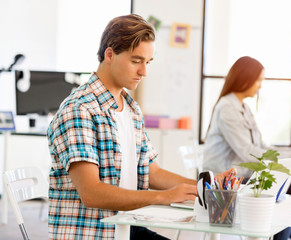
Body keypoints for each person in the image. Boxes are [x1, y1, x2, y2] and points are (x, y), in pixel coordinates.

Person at [47, 14, 236, 240]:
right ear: (110, 54)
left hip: (127, 226)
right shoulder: (79, 109)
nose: (144, 71)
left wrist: (208, 186)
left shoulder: (131, 108)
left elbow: (151, 171)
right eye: (136, 61)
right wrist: (162, 197)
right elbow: (91, 193)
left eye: (148, 62)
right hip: (95, 233)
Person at [202, 56, 291, 240]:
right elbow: (248, 152)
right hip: (227, 182)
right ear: (245, 79)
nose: (260, 86)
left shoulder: (243, 107)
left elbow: (263, 147)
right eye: (258, 80)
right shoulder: (228, 107)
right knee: (289, 182)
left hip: (244, 174)